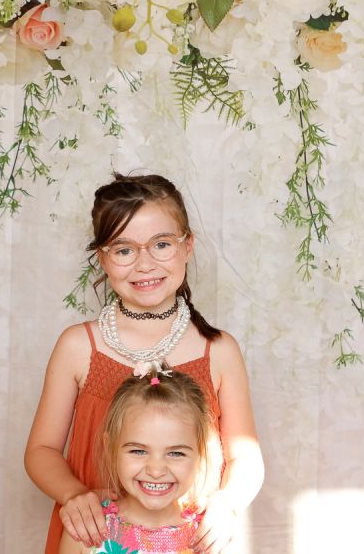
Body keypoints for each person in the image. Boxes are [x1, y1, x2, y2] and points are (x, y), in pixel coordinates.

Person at [26, 173, 264, 554]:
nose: (144, 264)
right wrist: (73, 494)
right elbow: (41, 450)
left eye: (162, 244)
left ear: (188, 246)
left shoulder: (219, 351)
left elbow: (245, 456)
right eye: (124, 250)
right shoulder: (78, 346)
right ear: (102, 258)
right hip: (96, 537)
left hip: (192, 541)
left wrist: (228, 503)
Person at [57, 368, 213, 554]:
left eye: (175, 453)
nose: (156, 471)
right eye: (138, 451)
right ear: (111, 447)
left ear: (200, 454)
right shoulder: (88, 529)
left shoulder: (211, 536)